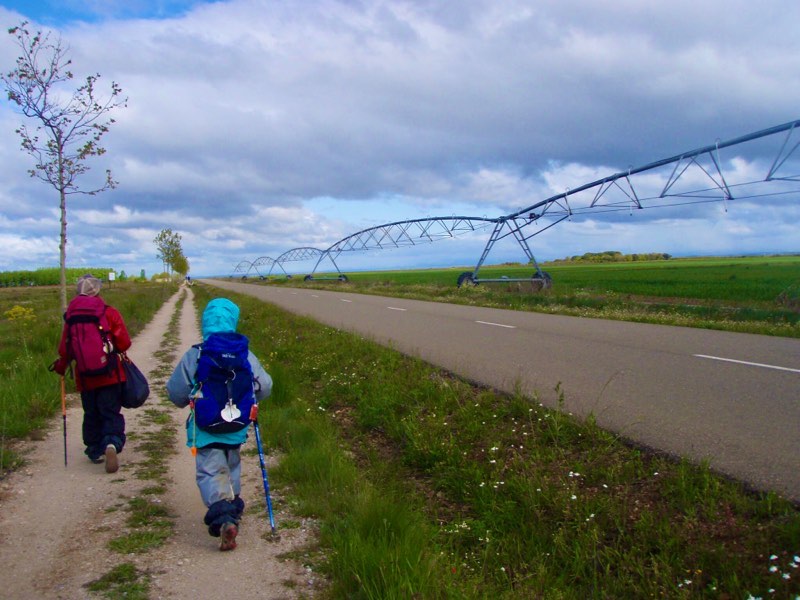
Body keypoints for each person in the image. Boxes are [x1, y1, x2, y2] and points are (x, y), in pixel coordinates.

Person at [167, 297, 272, 551]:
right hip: (236, 425)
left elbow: (176, 391)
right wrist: (251, 399)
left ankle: (224, 516)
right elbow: (265, 385)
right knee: (231, 463)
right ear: (232, 321)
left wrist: (185, 401)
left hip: (205, 427)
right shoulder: (244, 353)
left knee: (211, 470)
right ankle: (232, 503)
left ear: (205, 323)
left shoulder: (197, 353)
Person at [52, 274, 131, 473]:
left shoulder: (71, 316)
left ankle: (95, 449)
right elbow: (124, 343)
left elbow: (65, 348)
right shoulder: (109, 313)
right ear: (97, 290)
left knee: (91, 412)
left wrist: (62, 365)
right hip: (110, 374)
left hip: (85, 377)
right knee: (110, 411)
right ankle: (111, 443)